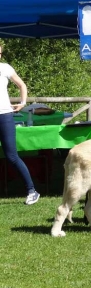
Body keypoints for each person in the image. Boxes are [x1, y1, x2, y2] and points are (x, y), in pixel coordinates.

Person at [0, 45, 40, 205]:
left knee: (11, 156)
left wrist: (23, 102)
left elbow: (22, 85)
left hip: (5, 116)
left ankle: (32, 191)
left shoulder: (5, 68)